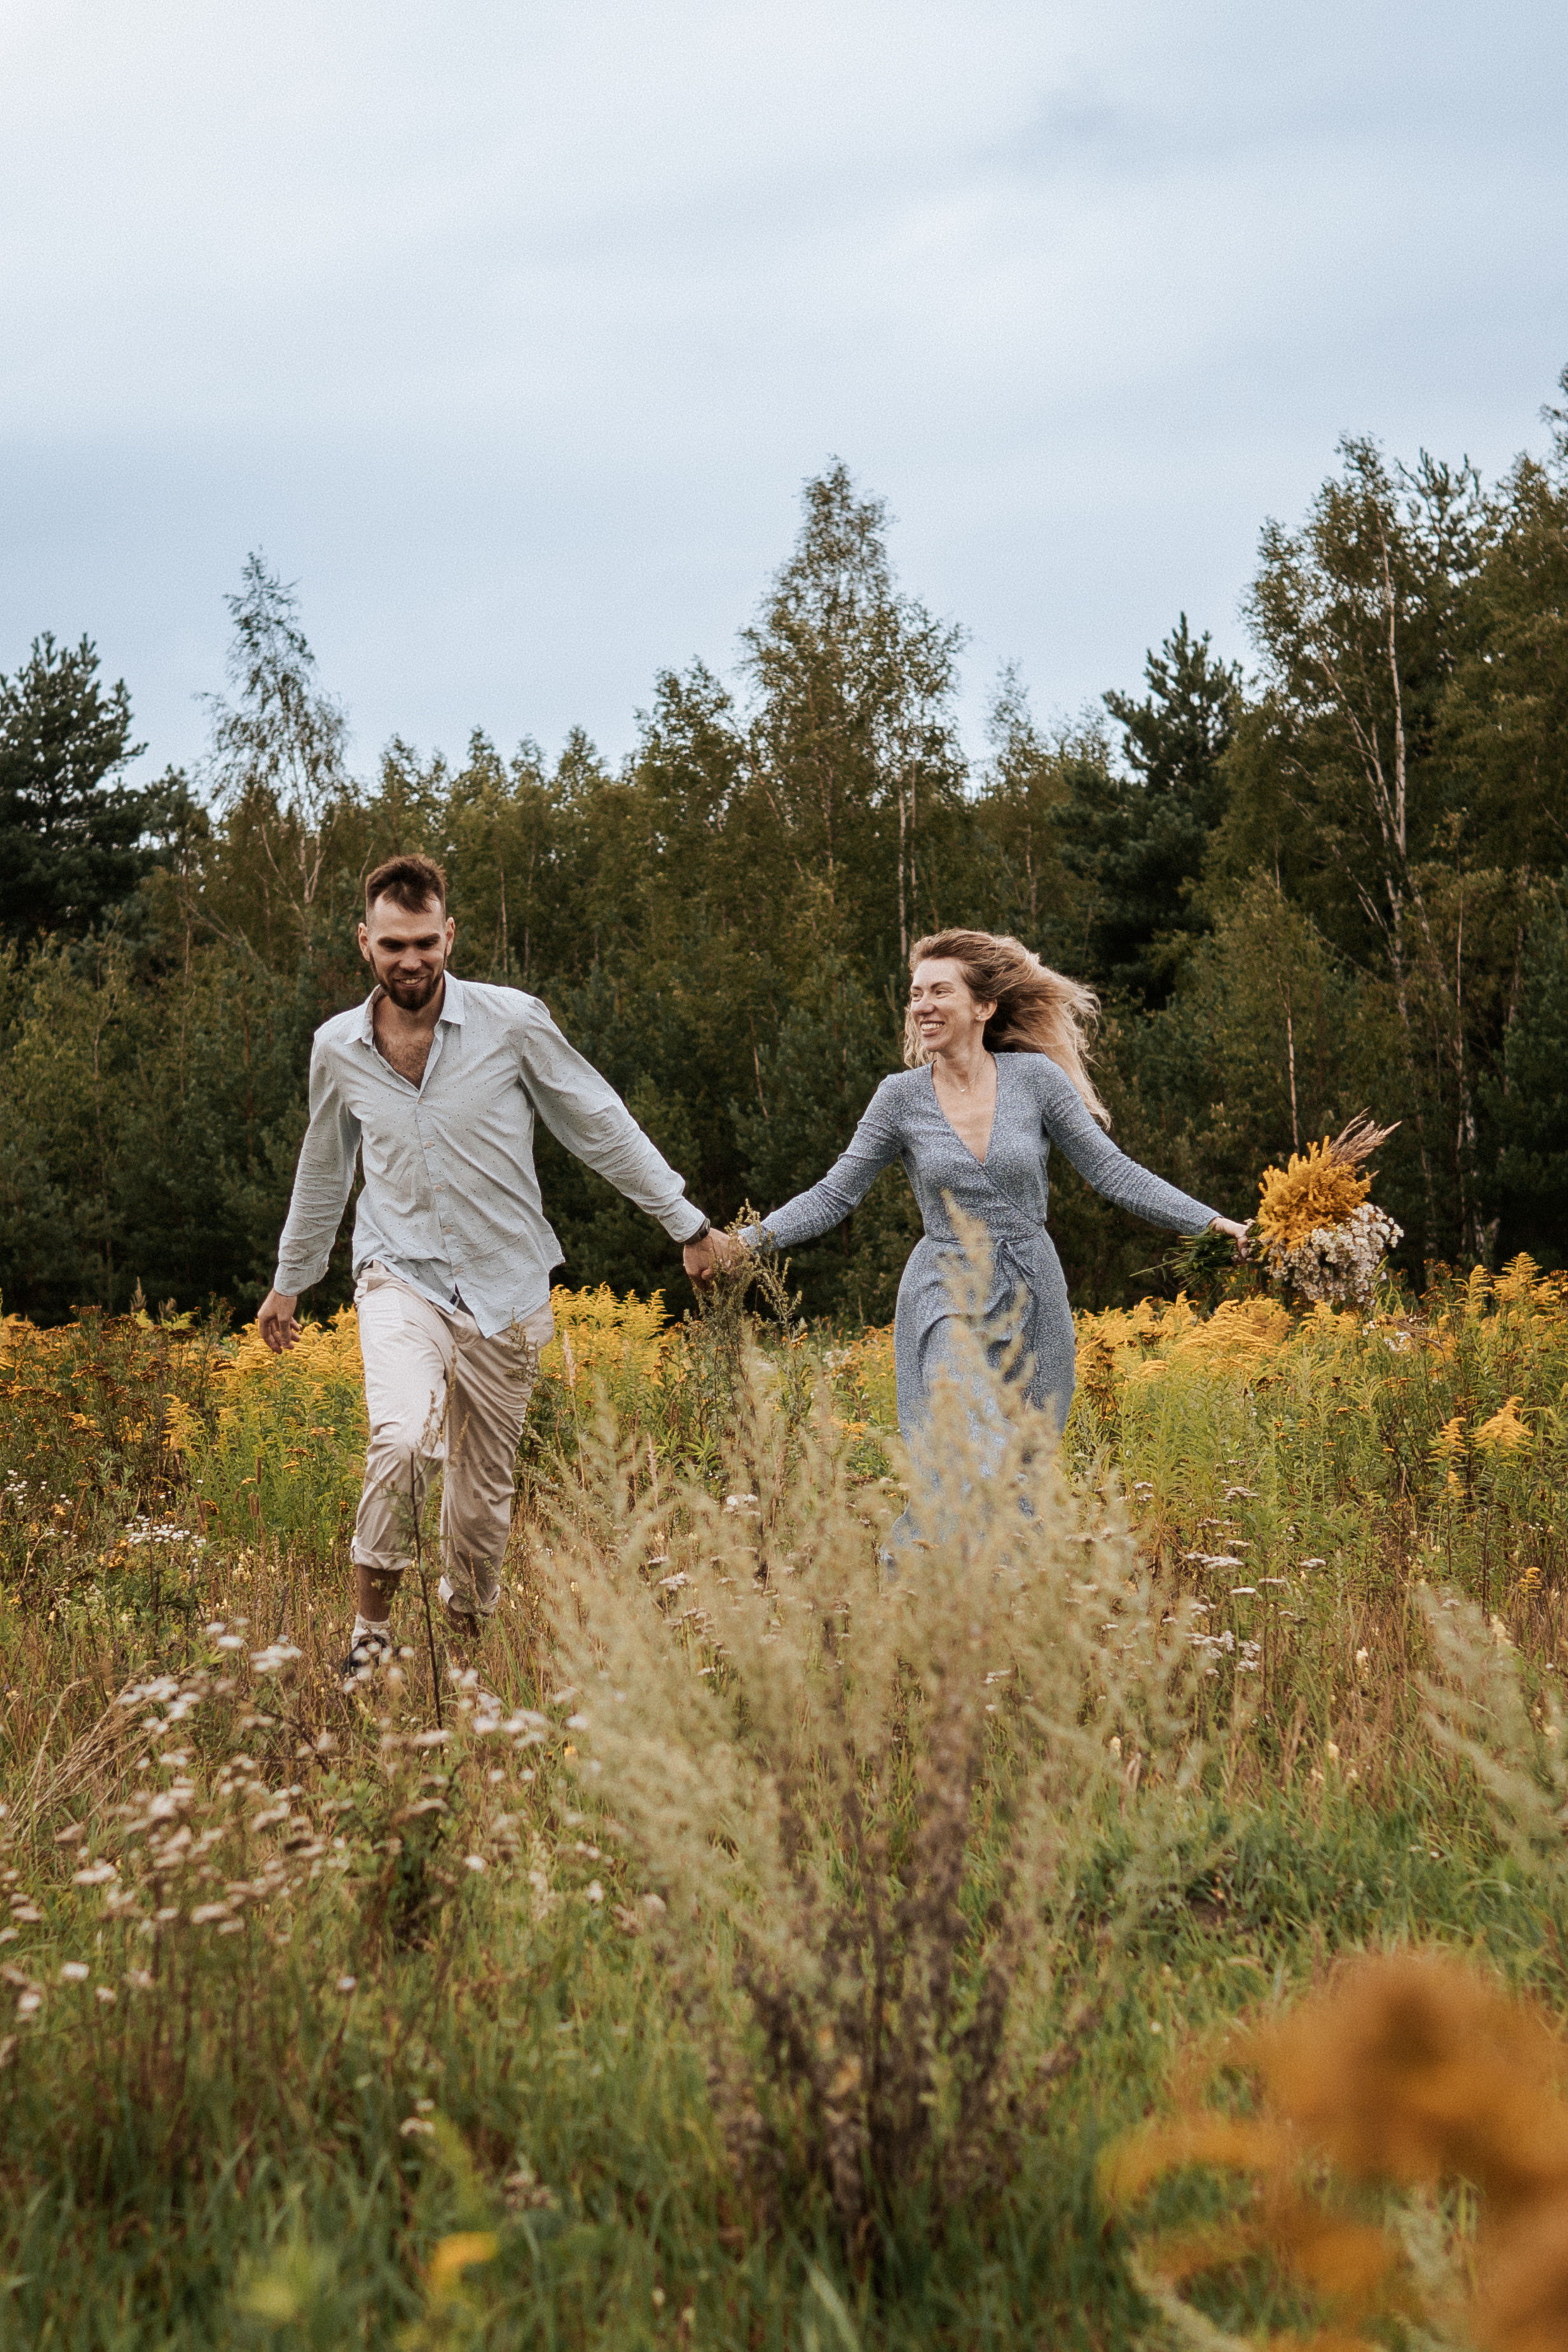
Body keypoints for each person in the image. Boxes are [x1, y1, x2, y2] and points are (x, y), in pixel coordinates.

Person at [257, 853, 721, 1675]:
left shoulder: (512, 1022)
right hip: (399, 1274)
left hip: (507, 1288)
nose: (411, 960)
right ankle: (370, 1631)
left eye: (426, 942)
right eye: (394, 943)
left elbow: (599, 1123)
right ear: (365, 941)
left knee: (478, 1503)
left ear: (450, 934)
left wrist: (684, 1220)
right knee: (400, 1434)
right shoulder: (338, 1045)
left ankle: (462, 1665)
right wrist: (291, 1279)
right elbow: (324, 1166)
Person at [724, 930, 1248, 1533]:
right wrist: (746, 1243)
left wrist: (1212, 1222)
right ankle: (924, 1586)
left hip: (1033, 1294)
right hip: (946, 1288)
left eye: (939, 990)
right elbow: (834, 1194)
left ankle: (989, 1613)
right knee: (969, 1444)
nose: (921, 1004)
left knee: (1023, 1469)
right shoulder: (899, 1098)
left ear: (984, 1006)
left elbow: (1113, 1172)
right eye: (915, 993)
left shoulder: (1036, 1081)